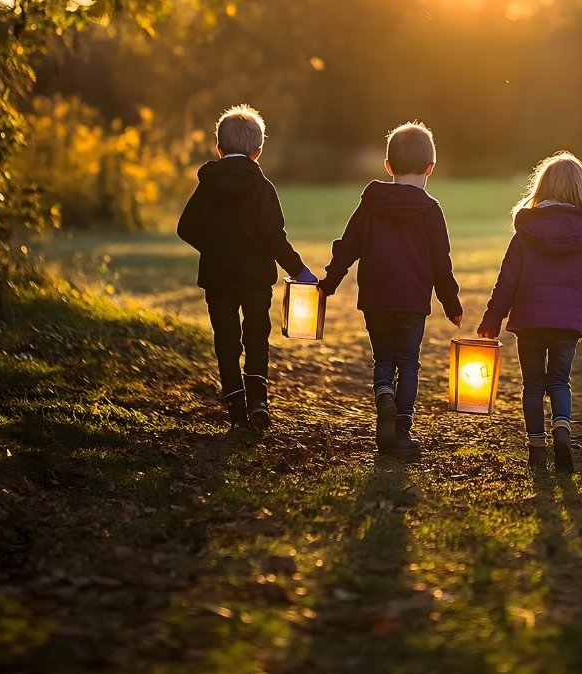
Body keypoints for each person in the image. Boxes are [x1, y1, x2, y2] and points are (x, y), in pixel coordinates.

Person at [476, 151, 582, 472]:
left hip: (529, 323)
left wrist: (492, 319)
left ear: (542, 188)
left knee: (533, 385)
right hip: (567, 324)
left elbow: (506, 282)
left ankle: (536, 447)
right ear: (581, 191)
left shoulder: (524, 233)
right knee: (560, 381)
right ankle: (562, 432)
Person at [319, 121, 462, 453]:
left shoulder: (371, 203)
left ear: (388, 166)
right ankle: (400, 430)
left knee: (383, 356)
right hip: (412, 302)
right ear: (430, 167)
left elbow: (348, 246)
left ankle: (384, 391)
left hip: (375, 298)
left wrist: (330, 282)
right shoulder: (430, 210)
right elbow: (442, 263)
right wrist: (451, 304)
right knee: (409, 361)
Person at [177, 104, 317, 431]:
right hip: (256, 281)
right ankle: (259, 401)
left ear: (219, 148)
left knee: (226, 342)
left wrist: (215, 249)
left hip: (218, 279)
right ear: (258, 151)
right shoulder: (262, 188)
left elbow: (186, 228)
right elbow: (274, 237)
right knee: (256, 337)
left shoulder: (207, 186)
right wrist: (299, 270)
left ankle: (237, 413)